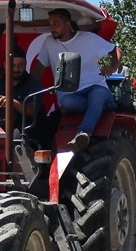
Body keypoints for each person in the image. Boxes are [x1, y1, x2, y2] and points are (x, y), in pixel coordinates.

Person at [26, 8, 118, 152]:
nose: (52, 27)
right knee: (66, 103)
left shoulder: (88, 38)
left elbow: (116, 51)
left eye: (56, 23)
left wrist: (112, 67)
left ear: (68, 24)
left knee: (97, 94)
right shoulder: (49, 42)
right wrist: (27, 89)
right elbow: (38, 69)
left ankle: (84, 133)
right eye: (50, 23)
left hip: (95, 87)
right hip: (72, 95)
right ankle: (104, 106)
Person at [0, 48, 38, 126]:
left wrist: (11, 102)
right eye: (13, 65)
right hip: (1, 126)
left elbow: (32, 111)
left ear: (26, 64)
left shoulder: (33, 84)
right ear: (5, 65)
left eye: (20, 65)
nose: (16, 69)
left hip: (25, 129)